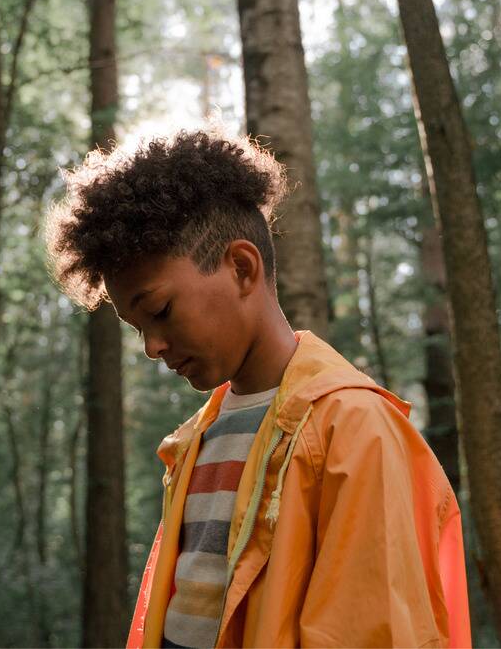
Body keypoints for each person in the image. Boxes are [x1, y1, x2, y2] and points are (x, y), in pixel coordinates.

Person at [44, 126, 470, 648]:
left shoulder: (356, 430)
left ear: (242, 268)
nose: (152, 347)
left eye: (160, 312)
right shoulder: (194, 441)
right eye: (138, 329)